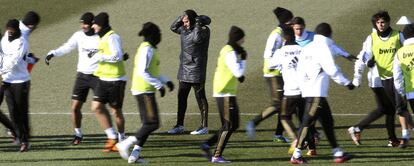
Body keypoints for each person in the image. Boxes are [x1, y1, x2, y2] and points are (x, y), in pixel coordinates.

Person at [44, 12, 115, 145]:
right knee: (75, 107)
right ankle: (78, 134)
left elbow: (113, 51)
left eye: (85, 23)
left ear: (92, 24)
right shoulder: (78, 35)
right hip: (82, 76)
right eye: (81, 23)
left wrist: (122, 56)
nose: (82, 26)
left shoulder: (101, 37)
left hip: (98, 76)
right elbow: (68, 46)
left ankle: (112, 136)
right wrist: (53, 53)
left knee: (100, 107)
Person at [290, 23, 354, 164]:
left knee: (328, 122)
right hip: (316, 93)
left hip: (310, 91)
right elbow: (332, 69)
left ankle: (337, 152)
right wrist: (347, 83)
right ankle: (296, 154)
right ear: (329, 34)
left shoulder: (307, 47)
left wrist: (304, 87)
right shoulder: (323, 47)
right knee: (307, 123)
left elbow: (299, 70)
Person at [350, 11, 413, 148]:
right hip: (384, 79)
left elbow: (408, 50)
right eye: (378, 22)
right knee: (395, 108)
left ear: (388, 22)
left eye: (383, 22)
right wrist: (367, 63)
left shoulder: (398, 35)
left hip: (399, 76)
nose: (381, 25)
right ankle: (400, 136)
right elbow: (364, 55)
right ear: (375, 24)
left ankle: (403, 136)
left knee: (399, 107)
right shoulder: (371, 38)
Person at [116, 22, 174, 164]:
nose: (160, 35)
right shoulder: (146, 50)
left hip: (145, 89)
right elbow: (143, 71)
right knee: (153, 123)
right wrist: (159, 85)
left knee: (147, 124)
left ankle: (135, 155)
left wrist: (166, 81)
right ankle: (125, 144)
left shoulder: (151, 49)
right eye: (158, 33)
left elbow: (153, 71)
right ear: (153, 35)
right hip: (144, 91)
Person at [245, 7, 293, 143]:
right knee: (279, 104)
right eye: (289, 20)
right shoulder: (276, 34)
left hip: (282, 73)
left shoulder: (285, 32)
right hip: (273, 73)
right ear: (284, 21)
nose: (291, 23)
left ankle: (278, 134)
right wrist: (280, 63)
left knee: (285, 103)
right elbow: (268, 55)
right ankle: (253, 123)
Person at [200, 26, 246, 163]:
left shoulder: (228, 49)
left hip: (226, 92)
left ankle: (207, 145)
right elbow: (239, 74)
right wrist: (244, 60)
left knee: (234, 124)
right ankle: (217, 156)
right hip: (224, 92)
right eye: (242, 38)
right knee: (228, 125)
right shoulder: (230, 52)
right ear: (238, 38)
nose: (244, 41)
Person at [168, 9, 211, 135]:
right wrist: (181, 17)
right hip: (184, 69)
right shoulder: (183, 29)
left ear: (193, 20)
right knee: (182, 98)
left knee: (200, 98)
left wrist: (197, 23)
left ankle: (204, 126)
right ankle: (179, 125)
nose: (184, 24)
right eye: (183, 22)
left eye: (186, 21)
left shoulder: (203, 30)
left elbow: (197, 39)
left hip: (196, 70)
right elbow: (173, 27)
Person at [89, 12, 127, 152]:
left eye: (95, 23)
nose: (92, 26)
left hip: (116, 80)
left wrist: (100, 57)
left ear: (101, 24)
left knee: (116, 112)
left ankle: (122, 140)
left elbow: (116, 57)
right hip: (103, 79)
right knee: (96, 107)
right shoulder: (102, 37)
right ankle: (112, 137)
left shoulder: (113, 37)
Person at [0, 19, 30, 152]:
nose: (9, 32)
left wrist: (0, 71)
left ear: (17, 30)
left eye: (12, 30)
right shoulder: (5, 38)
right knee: (13, 113)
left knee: (19, 112)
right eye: (8, 29)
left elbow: (14, 60)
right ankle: (22, 140)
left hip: (20, 81)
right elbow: (2, 55)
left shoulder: (22, 42)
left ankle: (25, 138)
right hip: (7, 81)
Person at [394, 23, 414, 148]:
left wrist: (401, 91)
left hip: (411, 91)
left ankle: (406, 136)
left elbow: (397, 76)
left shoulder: (400, 53)